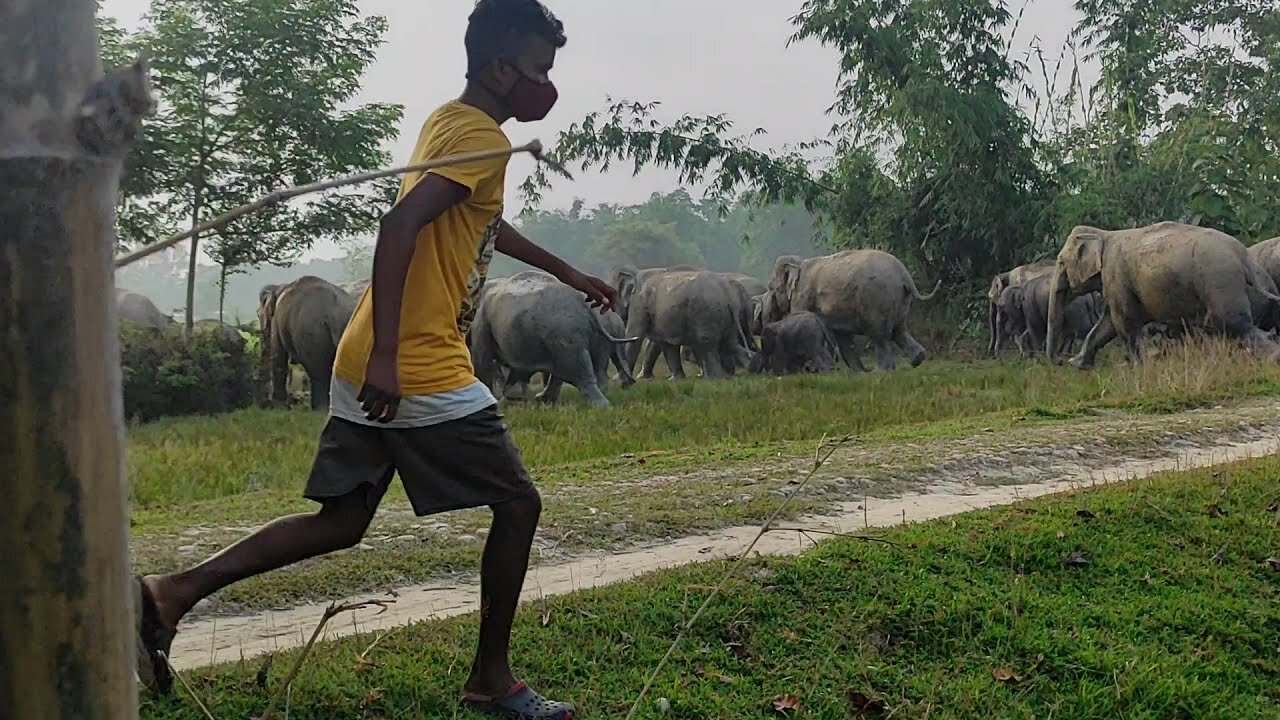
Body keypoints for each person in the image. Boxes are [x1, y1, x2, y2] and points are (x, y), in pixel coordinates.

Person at [134, 1, 606, 717]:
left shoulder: (454, 123)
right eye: (540, 68)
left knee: (343, 521)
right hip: (414, 361)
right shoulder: (480, 138)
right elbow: (399, 226)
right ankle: (491, 681)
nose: (547, 83)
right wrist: (390, 355)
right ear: (503, 68)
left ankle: (170, 594)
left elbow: (480, 221)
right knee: (518, 504)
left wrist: (570, 275)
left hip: (368, 354)